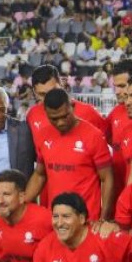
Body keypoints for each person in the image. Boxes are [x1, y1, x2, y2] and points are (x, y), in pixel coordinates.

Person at [25, 89, 114, 223]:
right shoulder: (43, 136)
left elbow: (107, 178)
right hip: (56, 219)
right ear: (46, 113)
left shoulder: (93, 136)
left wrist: (104, 218)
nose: (60, 122)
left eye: (65, 116)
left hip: (85, 220)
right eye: (54, 118)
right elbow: (39, 174)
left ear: (72, 107)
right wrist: (23, 202)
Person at [104, 60, 132, 198]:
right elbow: (107, 137)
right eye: (115, 86)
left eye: (122, 86)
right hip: (118, 189)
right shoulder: (116, 112)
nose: (117, 91)